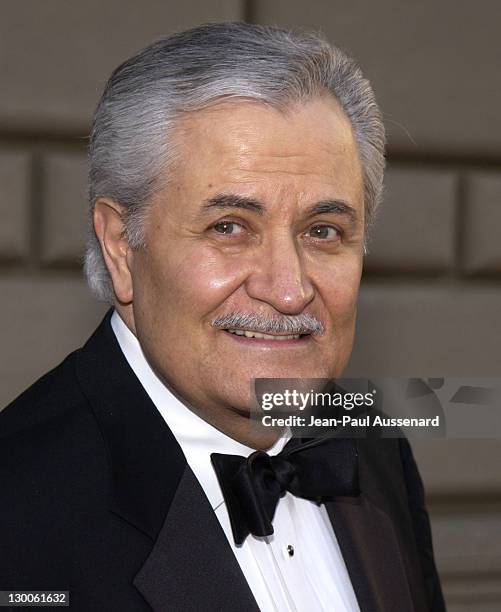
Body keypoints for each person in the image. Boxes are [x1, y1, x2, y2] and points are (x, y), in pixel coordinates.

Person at [0, 22, 445, 612]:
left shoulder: (373, 441)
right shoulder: (15, 511)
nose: (288, 291)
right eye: (229, 228)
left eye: (323, 231)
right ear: (119, 246)